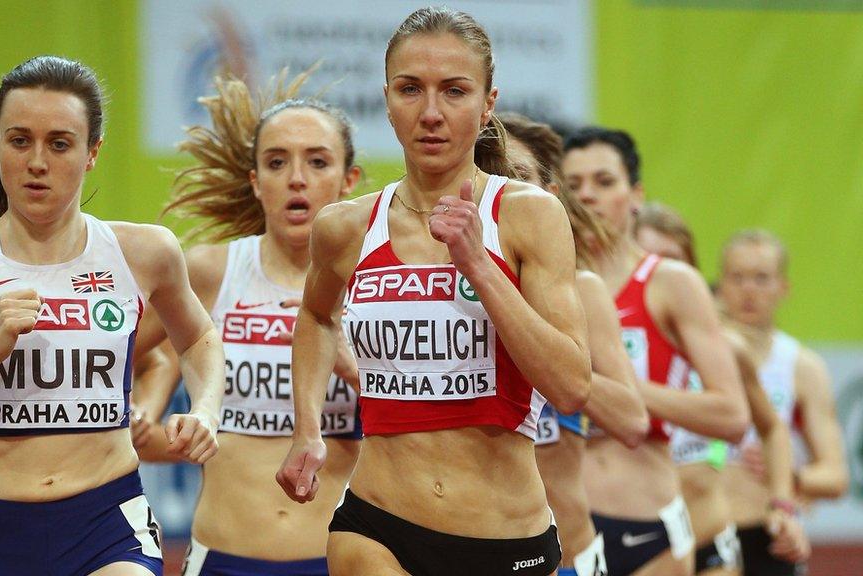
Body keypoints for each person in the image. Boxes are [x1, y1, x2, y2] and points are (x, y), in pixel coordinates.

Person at [0, 55, 225, 575]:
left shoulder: (143, 251)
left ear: (92, 152)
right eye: (20, 140)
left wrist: (206, 409)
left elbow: (199, 337)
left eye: (59, 143)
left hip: (107, 522)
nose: (37, 161)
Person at [277, 8, 592, 575]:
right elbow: (317, 316)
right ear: (387, 98)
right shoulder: (345, 228)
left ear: (487, 103)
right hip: (377, 522)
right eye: (409, 90)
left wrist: (479, 265)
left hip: (504, 538)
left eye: (453, 91)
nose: (430, 113)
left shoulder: (528, 217)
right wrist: (308, 430)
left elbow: (570, 386)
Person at [134, 70, 364, 575]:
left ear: (350, 180)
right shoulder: (213, 272)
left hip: (342, 559)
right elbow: (120, 358)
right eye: (277, 163)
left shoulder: (376, 285)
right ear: (256, 182)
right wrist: (147, 413)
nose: (296, 178)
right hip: (222, 555)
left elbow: (424, 429)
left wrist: (351, 369)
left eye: (318, 161)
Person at [562, 127, 749, 576]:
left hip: (646, 524)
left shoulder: (669, 283)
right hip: (561, 524)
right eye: (574, 185)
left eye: (604, 182)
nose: (588, 196)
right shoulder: (544, 284)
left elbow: (731, 415)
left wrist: (617, 391)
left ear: (636, 194)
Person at [501, 112, 649, 576]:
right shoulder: (436, 297)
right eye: (492, 176)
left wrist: (546, 349)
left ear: (550, 197)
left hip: (569, 557)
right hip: (473, 551)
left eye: (519, 178)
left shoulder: (582, 292)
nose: (507, 192)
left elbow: (631, 418)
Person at [634, 203, 809, 575]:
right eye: (646, 260)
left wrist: (782, 504)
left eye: (670, 262)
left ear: (692, 271)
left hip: (710, 537)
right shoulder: (609, 342)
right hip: (637, 537)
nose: (656, 274)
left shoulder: (724, 348)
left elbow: (773, 427)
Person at [717, 229, 848, 576]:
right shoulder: (694, 353)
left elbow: (835, 475)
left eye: (761, 279)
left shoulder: (803, 368)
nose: (748, 290)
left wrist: (789, 474)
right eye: (738, 277)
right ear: (721, 285)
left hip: (768, 535)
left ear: (782, 288)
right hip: (703, 528)